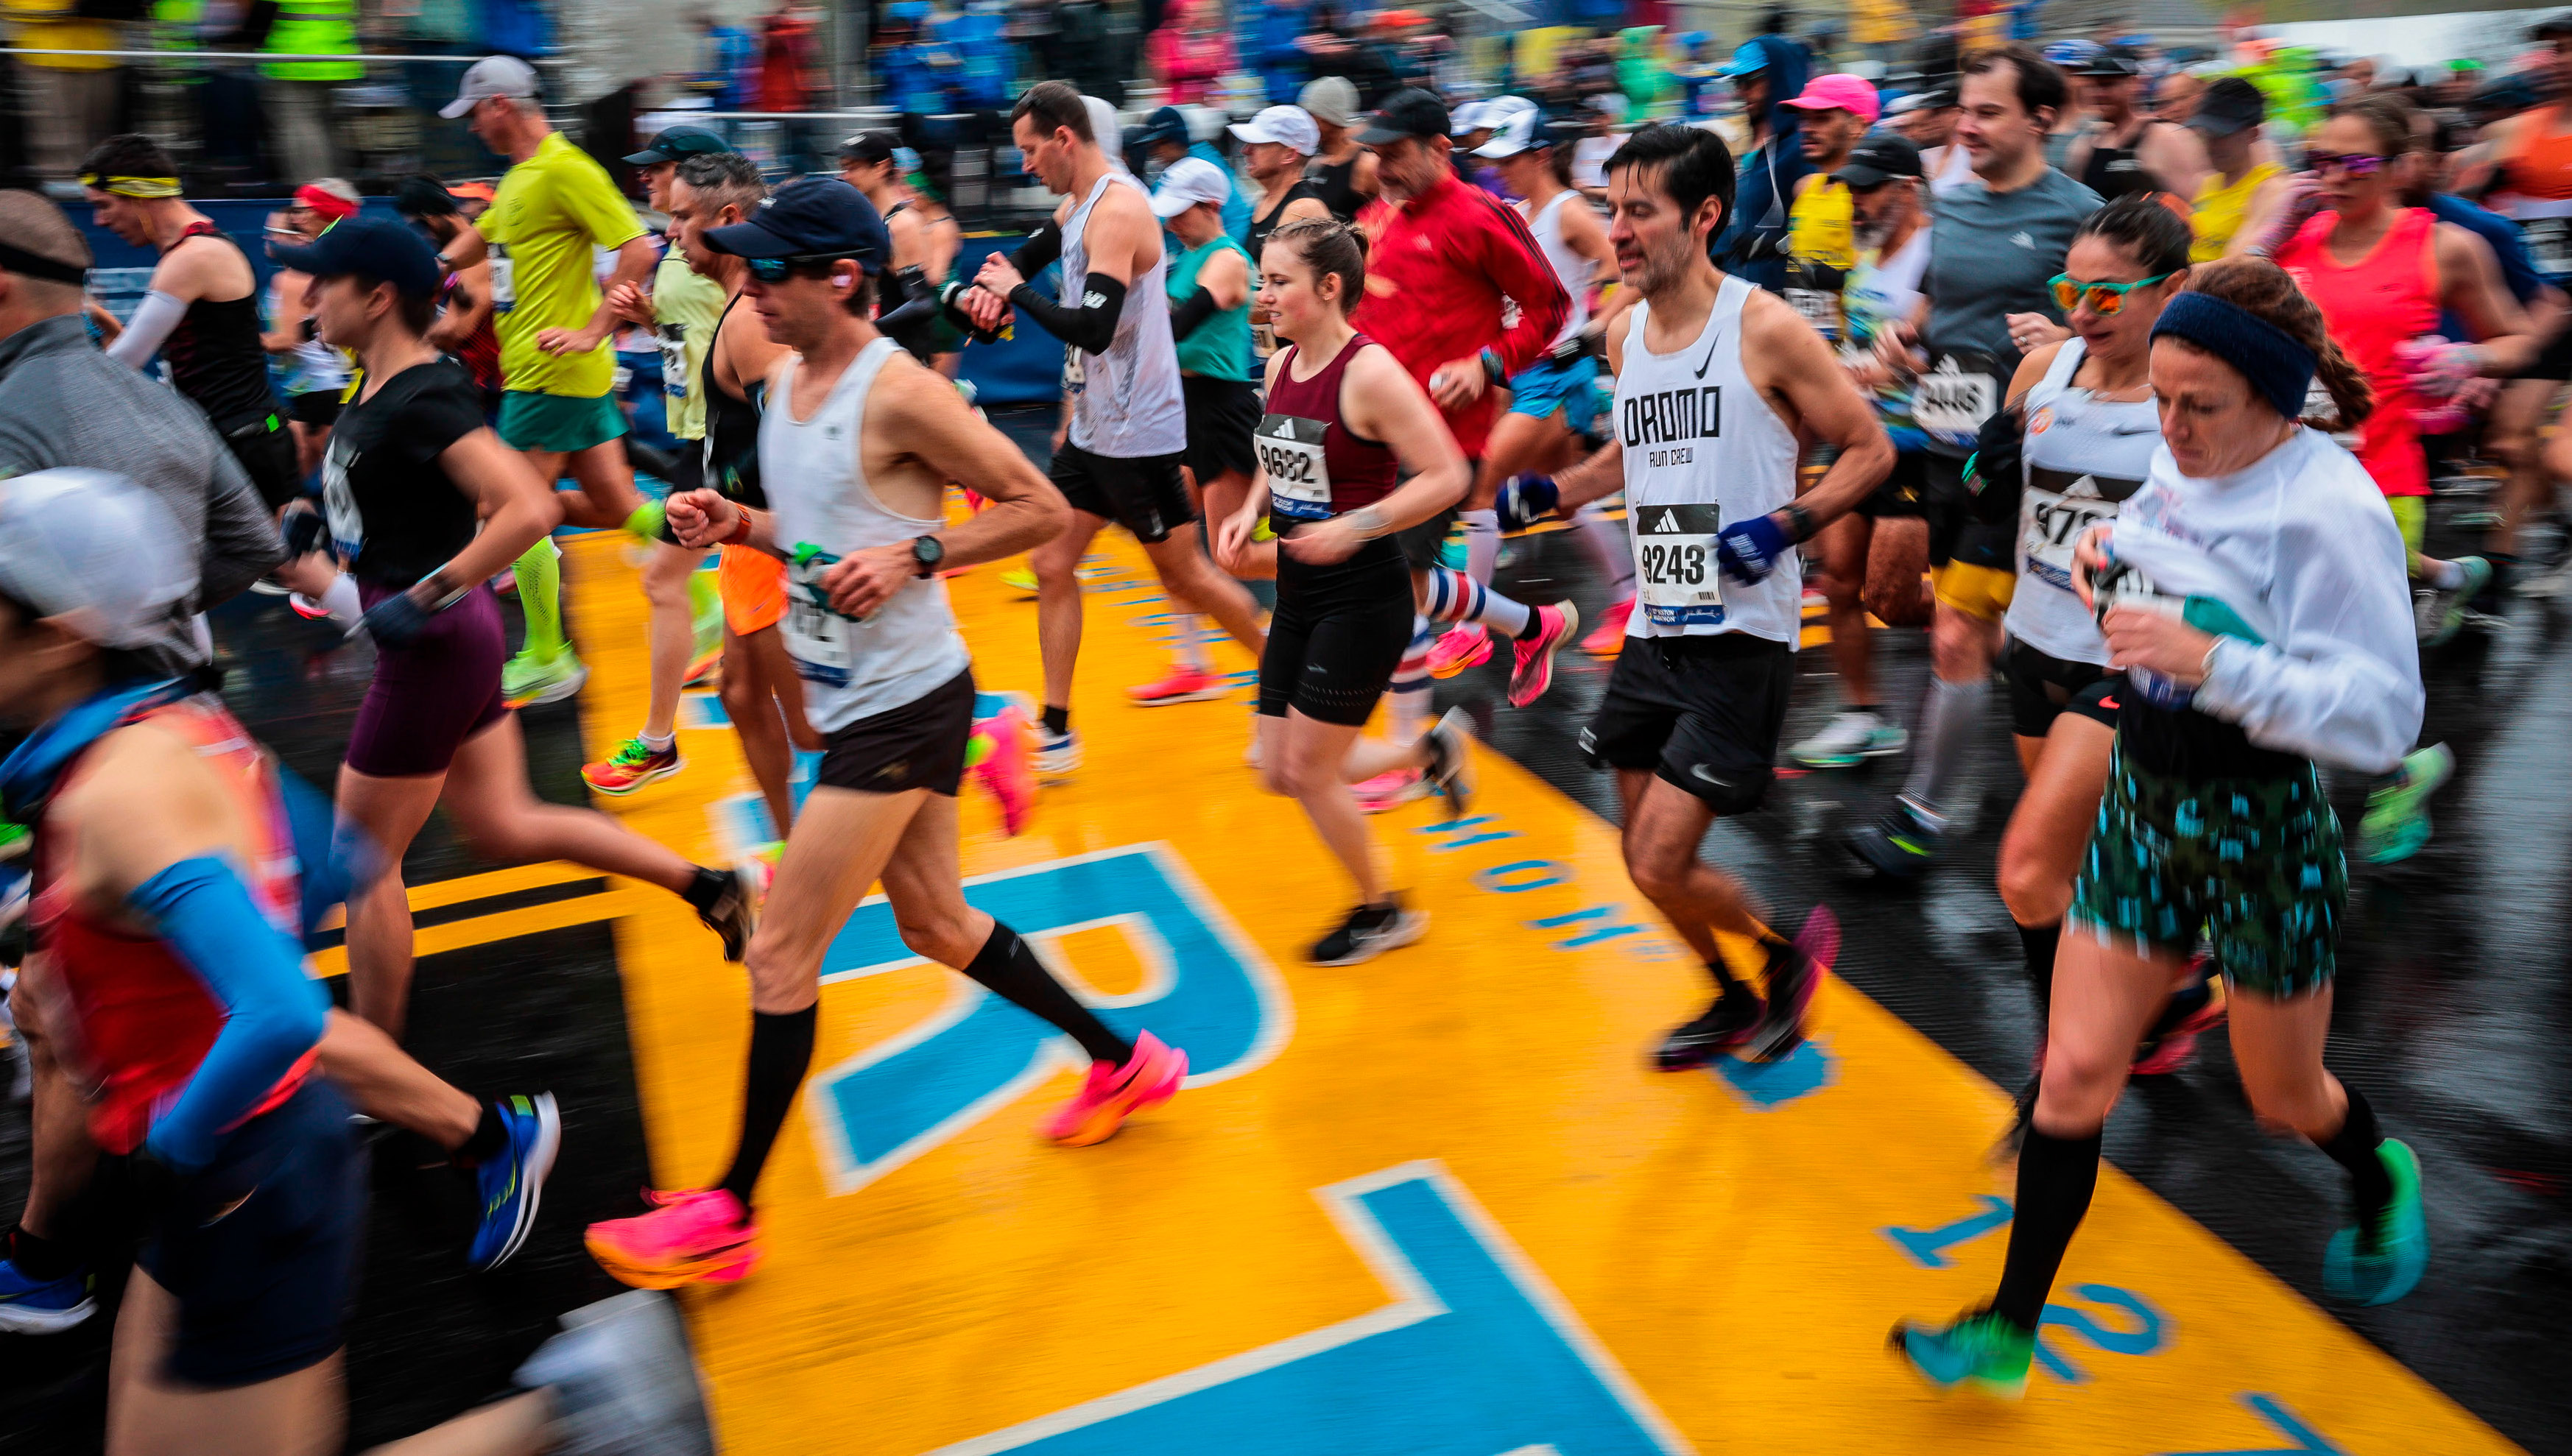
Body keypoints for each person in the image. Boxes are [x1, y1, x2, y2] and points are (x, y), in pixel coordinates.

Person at [0, 470, 703, 1452]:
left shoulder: (120, 789)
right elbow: (335, 862)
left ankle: (586, 1413)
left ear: (60, 631)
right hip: (252, 1160)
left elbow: (283, 1006)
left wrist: (175, 1150)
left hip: (243, 1174)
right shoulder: (171, 729)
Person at [584, 178, 1190, 1287]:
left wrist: (917, 557)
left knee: (778, 949)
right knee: (936, 922)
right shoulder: (786, 377)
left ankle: (729, 1209)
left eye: (771, 270)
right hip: (871, 696)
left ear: (841, 278)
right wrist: (740, 522)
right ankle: (1126, 1058)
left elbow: (1038, 508)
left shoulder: (895, 390)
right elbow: (816, 524)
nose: (750, 286)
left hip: (903, 706)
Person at [1894, 260, 2431, 1393]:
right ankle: (2006, 1328)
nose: (2173, 427)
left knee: (2287, 1100)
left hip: (2262, 827)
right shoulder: (2175, 457)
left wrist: (2214, 660)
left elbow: (2384, 718)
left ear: (2275, 400)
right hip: (2144, 799)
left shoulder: (2329, 506)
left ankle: (2378, 1171)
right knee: (2074, 1071)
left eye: (2201, 406)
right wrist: (2105, 565)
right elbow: (2149, 536)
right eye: (2164, 401)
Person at [263, 217, 759, 1042]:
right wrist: (317, 520)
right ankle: (708, 886)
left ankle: (380, 1073)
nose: (307, 296)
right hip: (453, 640)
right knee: (504, 824)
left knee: (363, 864)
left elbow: (529, 508)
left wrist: (425, 595)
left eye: (326, 282)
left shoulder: (424, 394)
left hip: (432, 646)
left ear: (379, 299)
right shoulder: (374, 384)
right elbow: (384, 496)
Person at [1535, 124, 1895, 1070]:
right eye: (1610, 208)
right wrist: (1557, 490)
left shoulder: (1765, 326)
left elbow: (1869, 449)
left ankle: (1789, 952)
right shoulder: (1623, 332)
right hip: (1660, 619)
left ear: (1703, 217)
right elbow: (1632, 451)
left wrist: (1786, 526)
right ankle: (1732, 993)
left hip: (1743, 634)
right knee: (1633, 852)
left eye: (1637, 212)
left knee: (1658, 859)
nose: (1615, 231)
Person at [1983, 198, 2224, 1126]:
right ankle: (2169, 992)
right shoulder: (2043, 370)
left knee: (2028, 870)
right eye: (2068, 288)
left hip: (2124, 665)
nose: (2082, 308)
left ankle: (2065, 1060)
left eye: (2107, 293)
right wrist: (1983, 466)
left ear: (2167, 291)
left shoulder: (2192, 397)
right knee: (2072, 868)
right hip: (2035, 643)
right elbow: (1994, 496)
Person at [1845, 45, 2100, 880]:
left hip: (2041, 458)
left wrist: (2069, 338)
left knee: (1967, 631)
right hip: (1949, 447)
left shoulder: (2081, 212)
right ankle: (2048, 805)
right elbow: (1944, 298)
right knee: (1980, 634)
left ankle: (1929, 814)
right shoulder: (1948, 205)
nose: (1966, 124)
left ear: (2042, 119)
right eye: (1963, 109)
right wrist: (1906, 336)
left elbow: (2136, 312)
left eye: (1987, 111)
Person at [962, 82, 1269, 774]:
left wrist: (1014, 294)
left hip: (1141, 434)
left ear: (1065, 139)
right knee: (1050, 563)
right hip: (1098, 428)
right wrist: (990, 290)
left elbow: (1094, 331)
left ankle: (1282, 689)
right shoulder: (1074, 204)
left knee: (1189, 577)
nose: (1025, 167)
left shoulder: (1121, 209)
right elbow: (1022, 260)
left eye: (1030, 150)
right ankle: (1058, 727)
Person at [2275, 94, 2536, 863]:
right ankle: (2384, 766)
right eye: (2317, 160)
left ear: (2397, 169)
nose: (2329, 176)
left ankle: (2398, 769)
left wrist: (2467, 360)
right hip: (2287, 473)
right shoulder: (2299, 239)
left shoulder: (2444, 246)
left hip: (2382, 480)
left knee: (2331, 649)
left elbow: (2517, 336)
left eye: (2350, 164)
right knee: (2289, 643)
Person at [1214, 219, 1476, 961]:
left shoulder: (1370, 373)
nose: (1264, 298)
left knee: (1308, 771)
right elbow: (1278, 450)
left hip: (1362, 596)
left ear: (1329, 288)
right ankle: (1426, 754)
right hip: (1299, 591)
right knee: (1275, 767)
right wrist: (1248, 509)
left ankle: (1383, 908)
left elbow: (1447, 475)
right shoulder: (1279, 367)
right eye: (1263, 281)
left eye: (1278, 283)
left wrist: (1356, 526)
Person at [1347, 88, 1579, 763]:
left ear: (1440, 150)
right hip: (1374, 430)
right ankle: (1533, 625)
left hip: (1444, 442)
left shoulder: (1480, 216)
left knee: (1392, 584)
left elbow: (1550, 308)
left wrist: (1486, 364)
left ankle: (1407, 749)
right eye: (1377, 155)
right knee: (1403, 582)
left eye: (1395, 155)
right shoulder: (1381, 214)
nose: (1382, 168)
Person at [437, 54, 665, 710]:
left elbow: (639, 247)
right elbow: (482, 239)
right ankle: (704, 598)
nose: (473, 126)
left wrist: (596, 329)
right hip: (551, 375)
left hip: (549, 372)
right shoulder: (519, 179)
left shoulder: (565, 169)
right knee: (620, 502)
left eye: (475, 112)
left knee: (511, 511)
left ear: (501, 104)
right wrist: (425, 269)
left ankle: (547, 656)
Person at [663, 150, 813, 852]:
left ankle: (976, 744)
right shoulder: (737, 302)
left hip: (770, 540)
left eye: (680, 219)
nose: (670, 234)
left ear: (727, 219)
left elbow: (797, 400)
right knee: (739, 695)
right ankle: (789, 840)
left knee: (817, 722)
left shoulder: (752, 314)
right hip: (743, 533)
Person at [582, 126, 736, 797]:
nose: (647, 181)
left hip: (726, 443)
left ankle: (657, 741)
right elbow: (693, 339)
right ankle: (660, 739)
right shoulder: (679, 251)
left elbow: (744, 332)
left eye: (660, 171)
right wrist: (647, 320)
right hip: (697, 439)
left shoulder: (721, 249)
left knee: (670, 585)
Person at [1789, 132, 1934, 769]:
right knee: (1839, 581)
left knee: (1890, 597)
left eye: (1869, 190)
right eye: (1850, 190)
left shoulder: (1939, 254)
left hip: (1922, 443)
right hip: (1860, 438)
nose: (1856, 203)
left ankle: (1984, 626)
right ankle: (1864, 716)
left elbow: (1935, 351)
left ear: (1908, 189)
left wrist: (1886, 368)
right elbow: (1856, 342)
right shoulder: (1868, 258)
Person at [1473, 101, 1632, 657]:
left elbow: (1618, 268)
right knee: (1569, 502)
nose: (1500, 168)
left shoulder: (1566, 211)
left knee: (1480, 485)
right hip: (1522, 372)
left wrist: (1589, 330)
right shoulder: (1515, 212)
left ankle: (1472, 628)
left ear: (1540, 156)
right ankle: (1629, 598)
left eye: (1510, 158)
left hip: (1558, 376)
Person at [80, 135, 300, 513]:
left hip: (239, 443)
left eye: (105, 206)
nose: (100, 221)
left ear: (139, 195)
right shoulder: (194, 249)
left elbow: (124, 362)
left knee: (291, 569)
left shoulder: (194, 256)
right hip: (237, 439)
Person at [1130, 158, 1264, 708]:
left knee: (1233, 555)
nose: (1170, 223)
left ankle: (1343, 569)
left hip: (1219, 410)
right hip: (1181, 411)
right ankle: (1192, 663)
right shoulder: (1183, 261)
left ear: (1210, 206)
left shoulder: (1227, 260)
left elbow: (1176, 325)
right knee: (1169, 545)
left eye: (1179, 213)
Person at [259, 180, 361, 480]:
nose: (268, 238)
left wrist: (235, 342)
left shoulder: (293, 278)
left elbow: (289, 340)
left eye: (275, 233)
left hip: (323, 389)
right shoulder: (314, 270)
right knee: (303, 455)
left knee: (320, 468)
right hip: (317, 389)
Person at [842, 130, 967, 370]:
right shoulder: (871, 221)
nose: (846, 176)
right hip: (882, 354)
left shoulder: (902, 224)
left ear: (881, 168)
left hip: (904, 356)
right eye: (844, 167)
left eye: (853, 167)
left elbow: (922, 302)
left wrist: (868, 330)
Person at [1781, 72, 1882, 342]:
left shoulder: (1869, 196)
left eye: (1822, 118)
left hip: (1854, 353)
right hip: (1805, 346)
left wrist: (1834, 278)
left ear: (1858, 126)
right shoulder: (1805, 188)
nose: (1807, 129)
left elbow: (1886, 278)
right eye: (1804, 119)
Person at [390, 175, 504, 411]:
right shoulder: (451, 259)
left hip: (491, 391)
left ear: (432, 216)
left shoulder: (478, 261)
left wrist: (399, 345)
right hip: (473, 388)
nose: (425, 235)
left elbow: (454, 330)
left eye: (421, 225)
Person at [1708, 35, 1811, 293]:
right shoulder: (1746, 147)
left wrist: (1775, 246)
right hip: (1738, 295)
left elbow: (1821, 234)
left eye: (1750, 81)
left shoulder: (1801, 147)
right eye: (1737, 82)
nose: (1741, 91)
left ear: (1779, 77)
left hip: (1782, 298)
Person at [1233, 104, 1333, 337]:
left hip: (1302, 347)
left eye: (1258, 144)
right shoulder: (1263, 202)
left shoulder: (1303, 209)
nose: (1246, 151)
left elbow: (1294, 289)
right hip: (1274, 347)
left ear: (1290, 154)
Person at [2064, 46, 2205, 203]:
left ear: (2133, 84)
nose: (2099, 94)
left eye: (2108, 85)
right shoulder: (2085, 146)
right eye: (2093, 86)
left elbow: (2195, 204)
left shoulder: (2167, 138)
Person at [2187, 77, 2288, 263]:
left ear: (2253, 134)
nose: (2211, 144)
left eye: (2222, 135)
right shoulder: (2207, 184)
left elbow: (2236, 265)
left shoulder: (2272, 188)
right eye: (2206, 134)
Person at [1300, 77, 1381, 222]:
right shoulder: (1313, 159)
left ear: (1329, 118)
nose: (1304, 123)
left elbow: (1396, 214)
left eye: (1310, 116)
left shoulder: (1366, 165)